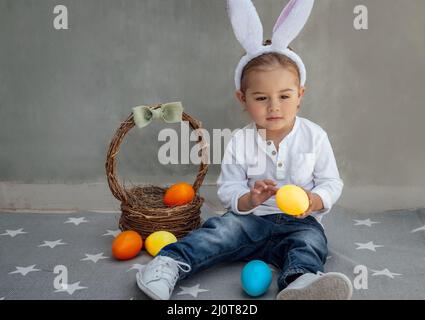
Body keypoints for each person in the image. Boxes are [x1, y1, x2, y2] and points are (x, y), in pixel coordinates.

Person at [136, 0, 353, 300]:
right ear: (243, 98)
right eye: (262, 97)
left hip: (299, 222)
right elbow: (229, 187)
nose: (274, 106)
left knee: (311, 243)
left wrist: (315, 200)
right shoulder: (240, 140)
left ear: (300, 95)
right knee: (219, 232)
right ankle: (169, 263)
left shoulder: (314, 137)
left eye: (285, 96)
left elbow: (332, 182)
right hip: (250, 220)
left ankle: (300, 282)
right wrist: (251, 197)